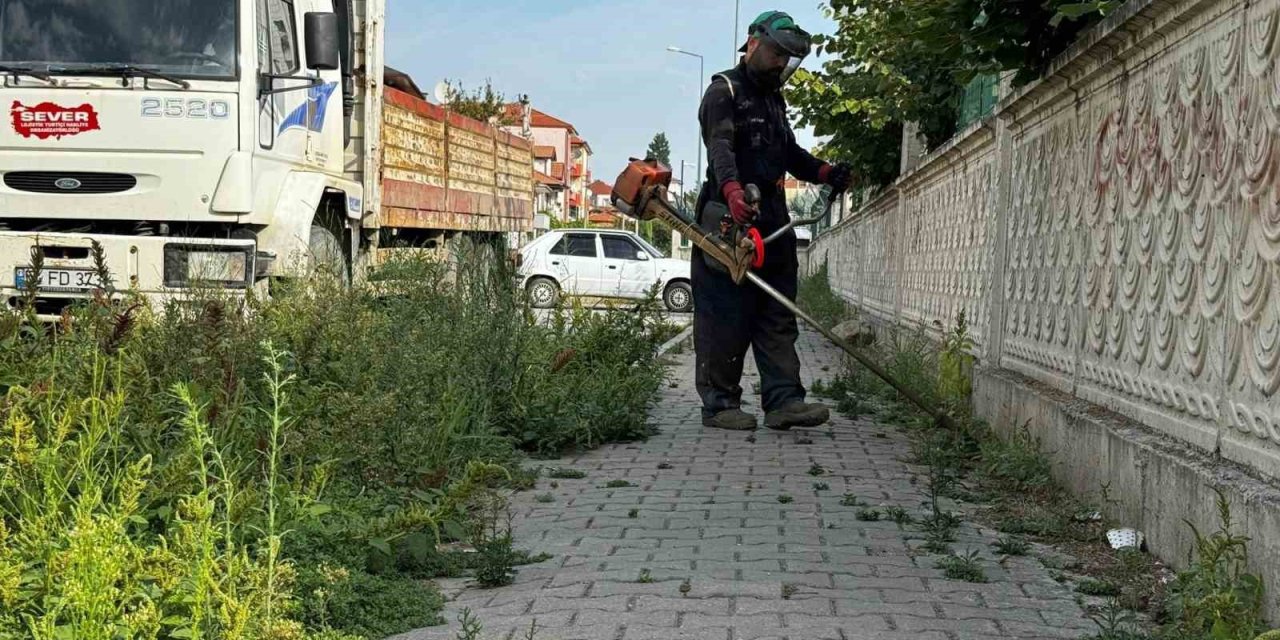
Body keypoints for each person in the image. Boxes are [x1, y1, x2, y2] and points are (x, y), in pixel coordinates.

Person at [692, 10, 854, 431]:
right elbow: (721, 148)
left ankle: (784, 400)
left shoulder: (773, 98)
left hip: (773, 221)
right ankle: (720, 404)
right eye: (778, 54)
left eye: (789, 58)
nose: (782, 64)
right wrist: (731, 192)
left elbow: (788, 152)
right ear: (754, 43)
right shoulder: (723, 91)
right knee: (726, 314)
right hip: (729, 218)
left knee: (778, 311)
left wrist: (824, 172)